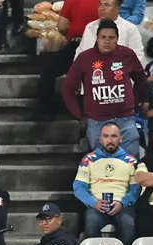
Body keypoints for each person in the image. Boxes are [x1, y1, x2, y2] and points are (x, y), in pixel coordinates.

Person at [63, 20, 146, 156]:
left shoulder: (127, 54)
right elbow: (68, 88)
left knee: (131, 165)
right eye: (103, 37)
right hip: (97, 122)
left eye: (111, 38)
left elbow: (141, 81)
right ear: (97, 38)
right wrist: (79, 115)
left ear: (117, 39)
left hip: (125, 120)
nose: (107, 41)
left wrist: (134, 103)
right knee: (101, 169)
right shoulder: (85, 58)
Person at [73, 122, 139, 245]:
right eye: (106, 136)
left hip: (122, 205)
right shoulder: (89, 159)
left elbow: (135, 189)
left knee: (128, 225)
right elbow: (78, 186)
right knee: (91, 222)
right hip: (96, 205)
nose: (110, 140)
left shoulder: (131, 160)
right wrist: (93, 202)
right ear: (100, 139)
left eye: (114, 136)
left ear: (121, 139)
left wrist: (122, 203)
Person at [34, 0, 100, 118]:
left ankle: (44, 109)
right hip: (99, 46)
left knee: (48, 73)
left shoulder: (71, 1)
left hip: (77, 43)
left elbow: (62, 27)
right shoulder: (105, 3)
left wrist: (69, 36)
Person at [74, 0, 145, 64]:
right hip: (89, 73)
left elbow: (138, 57)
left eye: (106, 5)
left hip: (118, 74)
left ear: (118, 8)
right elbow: (80, 52)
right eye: (100, 5)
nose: (102, 8)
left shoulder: (130, 28)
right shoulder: (90, 27)